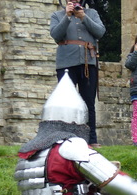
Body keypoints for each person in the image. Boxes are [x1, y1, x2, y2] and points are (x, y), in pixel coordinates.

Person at [50, 1, 104, 148]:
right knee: (66, 103)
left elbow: (100, 32)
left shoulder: (91, 13)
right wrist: (67, 17)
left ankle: (91, 139)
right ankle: (65, 138)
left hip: (88, 63)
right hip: (66, 63)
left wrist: (84, 17)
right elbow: (55, 35)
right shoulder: (57, 15)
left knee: (88, 102)